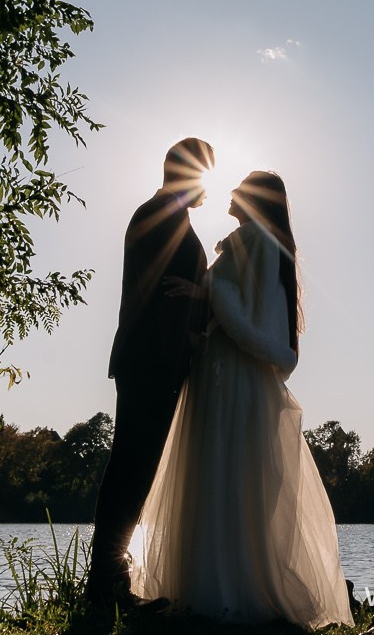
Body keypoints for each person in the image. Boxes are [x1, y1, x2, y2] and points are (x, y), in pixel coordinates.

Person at [132, 171, 353, 626]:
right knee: (236, 478)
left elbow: (244, 317)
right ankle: (230, 584)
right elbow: (255, 316)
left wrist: (206, 292)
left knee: (219, 473)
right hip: (234, 372)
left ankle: (218, 591)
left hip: (228, 374)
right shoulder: (272, 246)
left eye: (240, 188)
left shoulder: (253, 240)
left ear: (254, 199)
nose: (230, 193)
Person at [87, 136, 216, 608]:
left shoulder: (165, 214)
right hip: (152, 360)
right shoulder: (161, 215)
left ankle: (107, 582)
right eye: (207, 175)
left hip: (152, 359)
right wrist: (187, 342)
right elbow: (163, 293)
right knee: (132, 468)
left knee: (133, 468)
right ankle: (107, 585)